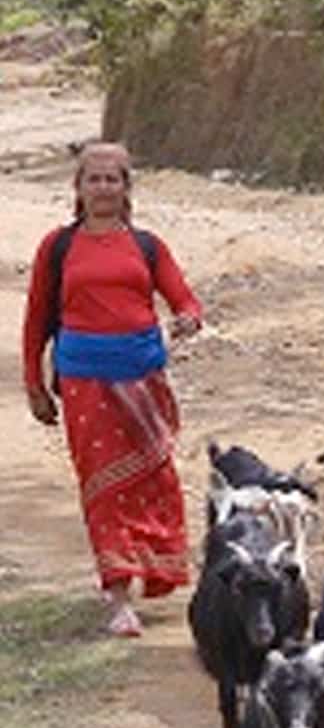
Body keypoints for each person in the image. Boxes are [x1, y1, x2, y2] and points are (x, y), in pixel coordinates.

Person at [20, 142, 204, 637]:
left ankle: (154, 569)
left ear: (126, 189)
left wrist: (188, 317)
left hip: (144, 378)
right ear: (78, 189)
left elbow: (182, 296)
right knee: (103, 487)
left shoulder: (147, 246)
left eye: (112, 179)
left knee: (156, 478)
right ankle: (118, 590)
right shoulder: (58, 247)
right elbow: (36, 319)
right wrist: (34, 384)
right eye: (93, 179)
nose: (103, 188)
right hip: (84, 383)